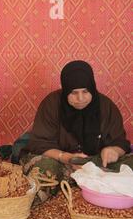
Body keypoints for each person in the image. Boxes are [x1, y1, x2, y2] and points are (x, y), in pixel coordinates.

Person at [20, 60, 132, 203]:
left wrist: (113, 150)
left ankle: (95, 187)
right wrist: (66, 157)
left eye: (85, 92)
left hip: (96, 163)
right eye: (74, 93)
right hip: (59, 161)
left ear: (92, 88)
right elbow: (38, 144)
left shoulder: (106, 106)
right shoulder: (52, 104)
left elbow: (121, 142)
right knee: (44, 169)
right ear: (66, 90)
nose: (80, 99)